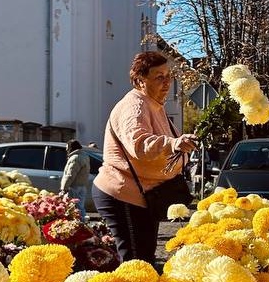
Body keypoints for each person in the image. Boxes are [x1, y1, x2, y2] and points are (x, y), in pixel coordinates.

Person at [93, 51, 198, 266]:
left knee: (145, 262)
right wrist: (174, 144)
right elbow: (139, 145)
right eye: (159, 77)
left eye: (169, 76)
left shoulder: (154, 105)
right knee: (136, 264)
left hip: (143, 195)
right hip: (124, 194)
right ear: (140, 81)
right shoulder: (136, 105)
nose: (167, 82)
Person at [61, 139, 91, 221]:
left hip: (74, 187)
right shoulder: (84, 156)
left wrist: (64, 188)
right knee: (80, 207)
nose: (66, 150)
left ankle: (79, 225)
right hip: (82, 186)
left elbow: (70, 175)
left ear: (71, 148)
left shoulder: (75, 158)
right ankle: (83, 224)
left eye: (67, 148)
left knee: (73, 208)